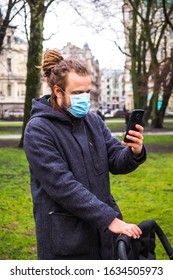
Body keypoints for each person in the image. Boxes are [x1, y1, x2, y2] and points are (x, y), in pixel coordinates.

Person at [24, 49, 146, 260]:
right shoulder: (38, 129)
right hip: (66, 238)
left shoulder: (94, 122)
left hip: (103, 233)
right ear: (58, 91)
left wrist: (133, 151)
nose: (85, 99)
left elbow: (116, 160)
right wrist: (109, 219)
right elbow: (62, 185)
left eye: (87, 92)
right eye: (78, 93)